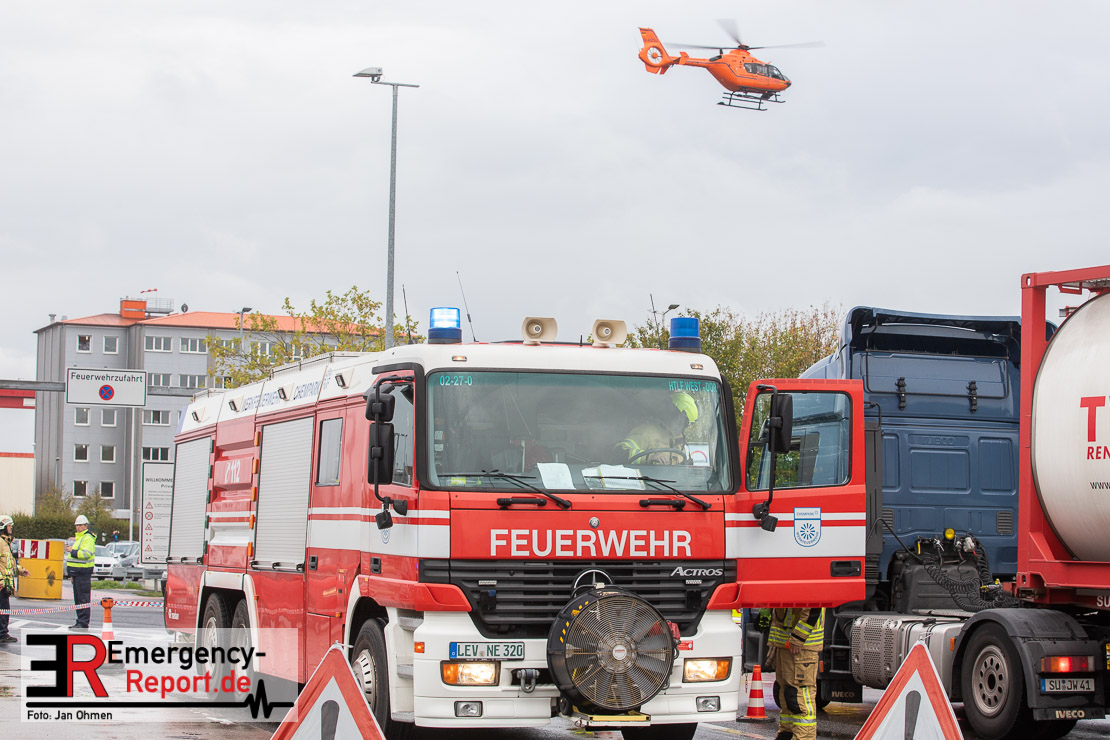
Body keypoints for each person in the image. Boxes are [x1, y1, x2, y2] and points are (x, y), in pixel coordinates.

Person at [763, 606, 825, 740]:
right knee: (785, 694)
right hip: (786, 644)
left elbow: (813, 608)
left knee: (798, 697)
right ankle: (787, 733)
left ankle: (804, 737)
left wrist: (798, 638)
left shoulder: (811, 589)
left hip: (801, 647)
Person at [614, 392, 698, 465]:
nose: (683, 428)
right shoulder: (647, 432)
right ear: (672, 415)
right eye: (684, 424)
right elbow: (618, 452)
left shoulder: (679, 441)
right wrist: (650, 457)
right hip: (648, 478)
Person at [1, 515, 31, 644]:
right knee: (3, 610)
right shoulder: (1, 543)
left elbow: (9, 563)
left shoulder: (6, 543)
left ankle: (3, 632)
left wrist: (20, 570)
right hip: (2, 584)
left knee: (4, 609)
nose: (11, 528)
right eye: (9, 526)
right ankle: (2, 634)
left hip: (5, 584)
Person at [66, 515, 96, 630]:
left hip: (83, 573)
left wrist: (72, 551)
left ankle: (83, 622)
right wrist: (72, 575)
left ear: (85, 525)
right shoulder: (80, 538)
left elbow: (86, 554)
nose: (78, 527)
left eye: (80, 525)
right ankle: (80, 621)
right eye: (77, 525)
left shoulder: (87, 538)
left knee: (83, 599)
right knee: (78, 599)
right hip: (77, 573)